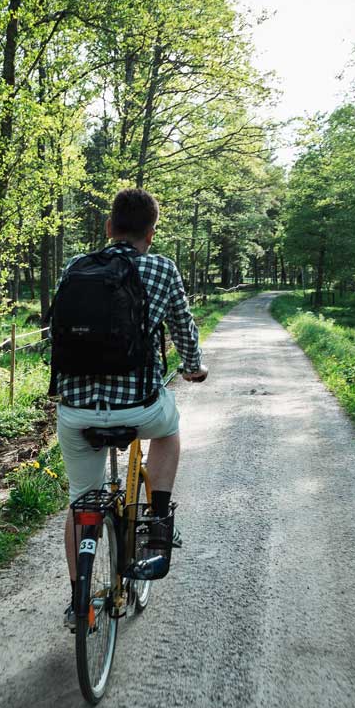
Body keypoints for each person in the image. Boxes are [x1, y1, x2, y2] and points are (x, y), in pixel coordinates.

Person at [51, 188, 207, 631]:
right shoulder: (161, 268)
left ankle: (79, 604)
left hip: (76, 411)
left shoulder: (76, 267)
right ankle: (157, 517)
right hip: (138, 407)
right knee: (169, 429)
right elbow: (183, 327)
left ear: (108, 229)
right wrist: (193, 368)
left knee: (82, 501)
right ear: (150, 234)